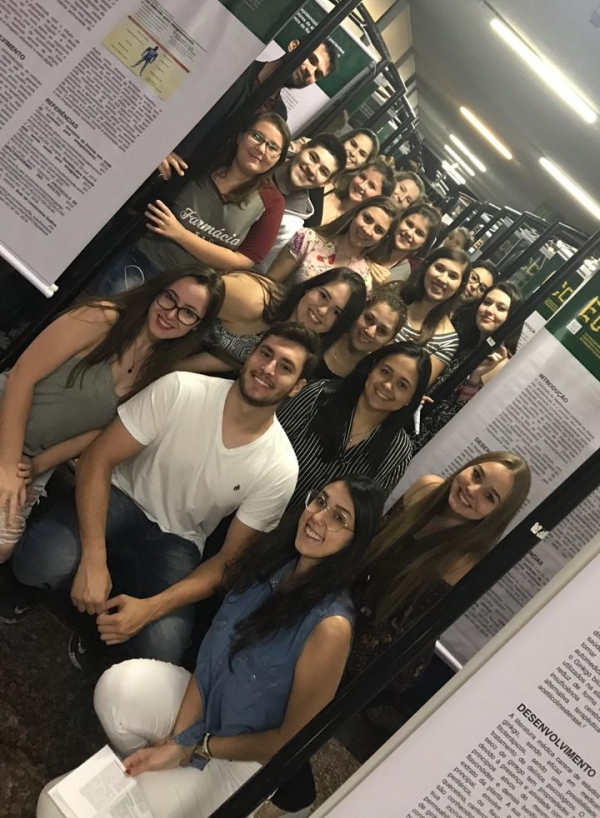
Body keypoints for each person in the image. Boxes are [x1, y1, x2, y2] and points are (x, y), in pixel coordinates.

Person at [37, 476, 385, 818]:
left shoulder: (330, 627)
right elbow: (212, 656)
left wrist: (196, 747)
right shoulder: (275, 562)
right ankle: (154, 780)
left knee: (53, 807)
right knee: (115, 690)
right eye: (320, 500)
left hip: (243, 760)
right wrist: (177, 742)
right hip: (205, 706)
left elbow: (288, 742)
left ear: (354, 543)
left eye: (339, 518)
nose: (319, 516)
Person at [13, 323, 319, 666]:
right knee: (39, 563)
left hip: (179, 539)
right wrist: (93, 561)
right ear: (251, 354)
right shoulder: (181, 388)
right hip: (120, 496)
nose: (268, 368)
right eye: (265, 354)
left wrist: (150, 610)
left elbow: (229, 561)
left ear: (297, 387)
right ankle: (82, 585)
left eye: (285, 367)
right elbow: (97, 460)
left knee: (162, 651)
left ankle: (103, 620)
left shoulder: (281, 466)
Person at [267, 452, 532, 816]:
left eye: (489, 496)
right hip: (342, 615)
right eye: (476, 475)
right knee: (277, 706)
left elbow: (397, 627)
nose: (472, 490)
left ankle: (295, 800)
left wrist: (330, 640)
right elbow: (370, 551)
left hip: (376, 659)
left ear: (496, 514)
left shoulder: (464, 559)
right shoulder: (425, 489)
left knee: (297, 730)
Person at [0, 269, 224, 580]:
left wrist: (36, 466)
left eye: (188, 313)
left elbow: (98, 435)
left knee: (3, 546)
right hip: (6, 420)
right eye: (169, 298)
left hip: (34, 459)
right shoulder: (101, 317)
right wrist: (7, 465)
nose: (171, 314)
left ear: (197, 325)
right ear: (156, 292)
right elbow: (22, 377)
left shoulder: (159, 371)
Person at [95, 113, 290, 294]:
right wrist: (159, 155)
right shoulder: (202, 161)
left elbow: (242, 261)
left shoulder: (273, 202)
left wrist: (180, 234)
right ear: (241, 136)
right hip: (146, 259)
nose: (261, 149)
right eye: (257, 136)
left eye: (272, 147)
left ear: (279, 159)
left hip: (192, 288)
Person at [277, 342, 431, 510]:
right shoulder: (318, 396)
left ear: (412, 398)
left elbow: (363, 513)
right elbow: (266, 446)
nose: (387, 385)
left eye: (402, 385)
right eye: (385, 372)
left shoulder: (398, 452)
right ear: (372, 368)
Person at [158, 40, 339, 184]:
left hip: (190, 186)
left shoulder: (278, 115)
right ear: (293, 46)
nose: (310, 72)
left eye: (318, 74)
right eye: (312, 60)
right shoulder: (235, 67)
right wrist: (157, 147)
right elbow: (171, 96)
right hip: (158, 161)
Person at [184, 267, 367, 372]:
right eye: (324, 296)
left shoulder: (294, 346)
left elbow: (218, 359)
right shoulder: (256, 300)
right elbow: (184, 290)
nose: (322, 310)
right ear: (310, 288)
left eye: (336, 312)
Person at [417, 282, 523, 450]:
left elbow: (460, 421)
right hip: (414, 425)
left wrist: (474, 378)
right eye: (487, 302)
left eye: (501, 308)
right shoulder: (468, 348)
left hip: (429, 445)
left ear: (512, 319)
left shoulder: (500, 367)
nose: (489, 310)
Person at [253, 134, 347, 275]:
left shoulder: (291, 225)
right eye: (313, 157)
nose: (312, 170)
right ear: (301, 149)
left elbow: (257, 268)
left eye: (323, 171)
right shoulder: (260, 158)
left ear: (325, 183)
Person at [266, 197, 398, 293]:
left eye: (378, 230)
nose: (368, 230)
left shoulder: (367, 278)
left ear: (383, 238)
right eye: (367, 219)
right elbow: (268, 286)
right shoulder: (308, 239)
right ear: (355, 214)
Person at [395, 246, 471, 384]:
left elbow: (415, 386)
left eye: (453, 276)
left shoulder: (448, 340)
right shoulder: (395, 293)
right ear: (427, 266)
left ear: (460, 286)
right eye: (439, 268)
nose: (442, 279)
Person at [313, 287, 407, 380]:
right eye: (368, 319)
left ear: (389, 340)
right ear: (359, 311)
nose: (370, 332)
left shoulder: (370, 378)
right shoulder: (322, 333)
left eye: (382, 331)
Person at [368, 202, 442, 285]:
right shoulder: (372, 239)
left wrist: (386, 287)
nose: (409, 233)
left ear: (424, 243)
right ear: (400, 220)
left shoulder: (414, 273)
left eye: (419, 233)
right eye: (409, 224)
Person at [313, 159, 395, 227]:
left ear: (380, 198)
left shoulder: (357, 229)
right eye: (362, 177)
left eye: (371, 186)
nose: (361, 185)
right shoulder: (324, 188)